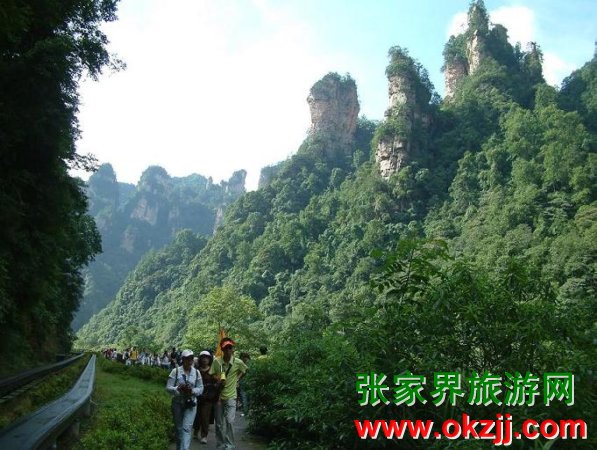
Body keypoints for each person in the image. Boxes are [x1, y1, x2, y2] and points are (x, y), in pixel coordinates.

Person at [210, 338, 247, 450]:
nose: (228, 350)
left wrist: (237, 379)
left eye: (230, 348)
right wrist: (218, 379)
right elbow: (211, 374)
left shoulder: (238, 362)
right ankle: (221, 445)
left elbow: (244, 371)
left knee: (230, 421)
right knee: (219, 423)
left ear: (233, 349)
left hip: (231, 396)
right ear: (222, 350)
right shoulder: (217, 361)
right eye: (226, 348)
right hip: (218, 397)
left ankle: (230, 445)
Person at [166, 349, 204, 450]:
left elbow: (201, 388)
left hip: (191, 404)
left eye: (191, 358)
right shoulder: (175, 371)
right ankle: (179, 447)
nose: (189, 360)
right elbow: (168, 388)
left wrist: (192, 391)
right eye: (187, 358)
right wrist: (177, 389)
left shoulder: (196, 372)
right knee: (179, 428)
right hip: (177, 403)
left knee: (186, 428)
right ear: (182, 359)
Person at [193, 350, 217, 444]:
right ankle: (196, 430)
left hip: (208, 397)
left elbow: (216, 383)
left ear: (209, 359)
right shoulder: (196, 370)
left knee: (205, 416)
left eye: (206, 358)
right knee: (196, 416)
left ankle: (204, 435)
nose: (205, 359)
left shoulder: (212, 370)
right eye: (203, 357)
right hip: (197, 396)